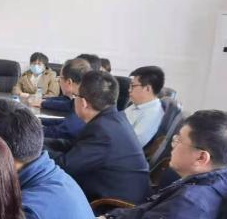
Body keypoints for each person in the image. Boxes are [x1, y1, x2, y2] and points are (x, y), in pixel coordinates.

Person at [47, 70, 150, 203]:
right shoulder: (111, 119)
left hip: (113, 206)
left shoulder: (102, 131)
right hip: (110, 192)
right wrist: (42, 143)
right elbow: (74, 146)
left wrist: (36, 151)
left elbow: (65, 166)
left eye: (75, 96)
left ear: (83, 103)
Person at [41, 57, 89, 142]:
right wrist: (39, 121)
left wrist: (32, 130)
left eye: (60, 78)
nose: (58, 80)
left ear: (69, 82)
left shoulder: (84, 102)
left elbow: (64, 130)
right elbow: (65, 121)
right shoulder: (83, 95)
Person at [124, 65, 165, 147]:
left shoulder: (153, 113)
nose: (129, 90)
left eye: (133, 86)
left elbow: (132, 145)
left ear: (147, 88)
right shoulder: (137, 105)